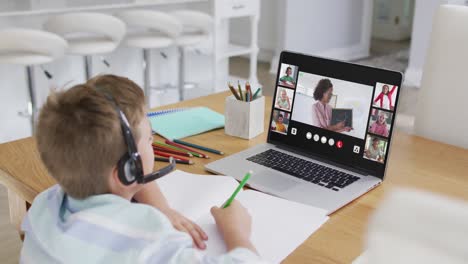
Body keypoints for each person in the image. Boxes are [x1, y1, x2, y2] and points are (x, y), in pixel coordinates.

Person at [20, 75, 261, 263]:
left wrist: (161, 206)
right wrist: (237, 233)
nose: (153, 139)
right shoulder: (148, 236)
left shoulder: (45, 206)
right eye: (149, 138)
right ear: (127, 169)